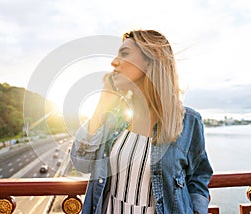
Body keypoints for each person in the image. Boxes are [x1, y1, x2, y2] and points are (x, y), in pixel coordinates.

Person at [70, 30, 213, 214]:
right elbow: (80, 163)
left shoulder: (189, 122)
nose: (114, 62)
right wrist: (102, 104)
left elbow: (199, 178)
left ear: (150, 60)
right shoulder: (114, 118)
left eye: (124, 53)